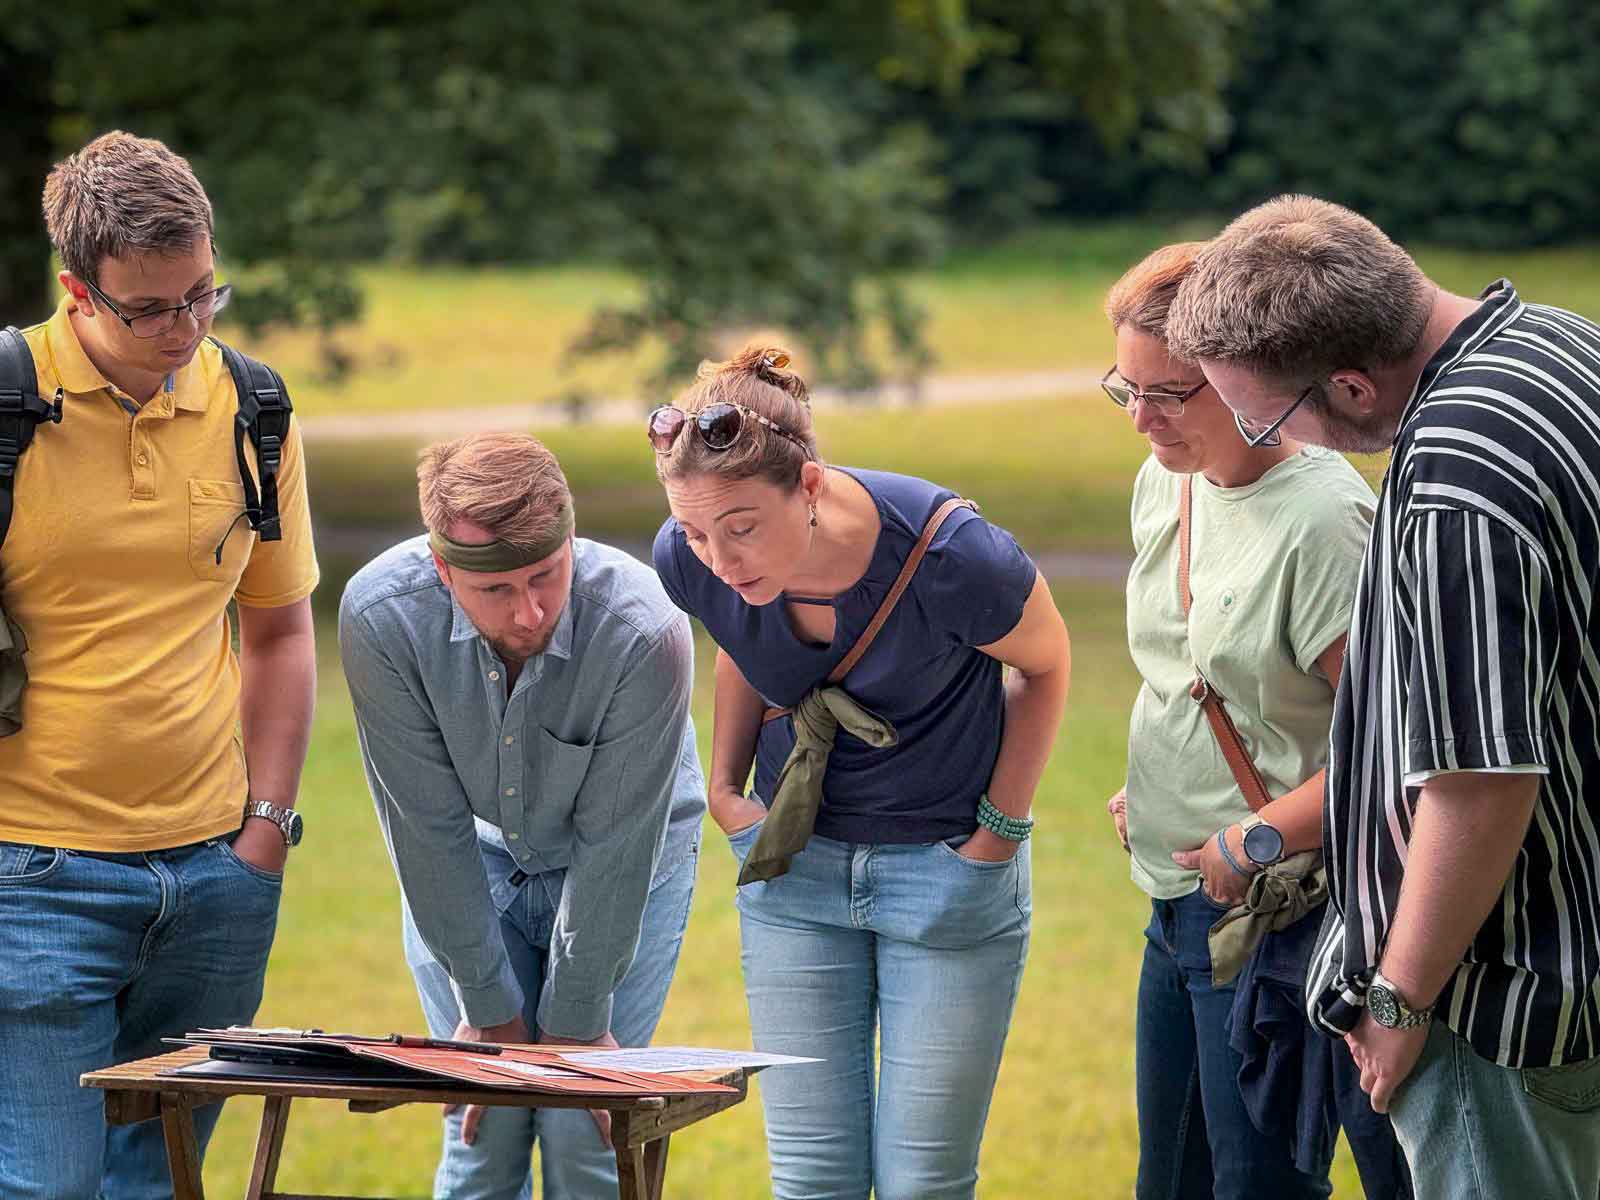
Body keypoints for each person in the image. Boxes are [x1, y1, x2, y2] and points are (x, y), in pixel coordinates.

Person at [1166, 193, 1600, 1200]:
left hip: (1502, 1003)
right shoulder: (1558, 345)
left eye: (1263, 416)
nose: (1267, 438)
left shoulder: (1455, 479)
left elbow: (1480, 778)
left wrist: (1399, 999)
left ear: (1351, 385)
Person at [646, 345, 1070, 1199]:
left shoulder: (954, 559)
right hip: (793, 878)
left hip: (945, 870)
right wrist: (729, 796)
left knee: (924, 1181)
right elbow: (742, 647)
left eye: (741, 527)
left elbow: (1047, 665)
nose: (719, 558)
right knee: (811, 1179)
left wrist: (997, 837)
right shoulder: (690, 560)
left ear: (807, 485)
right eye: (695, 530)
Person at [0, 131, 319, 1198]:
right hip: (30, 875)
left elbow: (278, 632)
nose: (183, 330)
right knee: (48, 1184)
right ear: (76, 290)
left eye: (202, 295)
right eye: (149, 309)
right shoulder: (6, 406)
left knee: (161, 1188)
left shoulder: (256, 410)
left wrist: (263, 833)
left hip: (216, 880)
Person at [1105, 243, 1409, 1199]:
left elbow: (1394, 742)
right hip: (1172, 897)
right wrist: (1154, 780)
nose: (1144, 417)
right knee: (1173, 1181)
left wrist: (1257, 836)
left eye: (1172, 392)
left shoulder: (1322, 519)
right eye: (1126, 387)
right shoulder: (1169, 474)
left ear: (1247, 380)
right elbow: (1183, 663)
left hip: (1273, 913)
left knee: (1257, 1185)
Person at [339, 431, 704, 1200]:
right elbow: (423, 825)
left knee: (591, 1130)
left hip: (629, 864)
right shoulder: (381, 618)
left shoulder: (646, 629)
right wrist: (487, 1005)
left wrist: (575, 1023)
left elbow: (618, 843)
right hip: (473, 860)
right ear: (443, 571)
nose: (530, 610)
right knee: (482, 1125)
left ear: (571, 540)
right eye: (495, 590)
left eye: (547, 575)